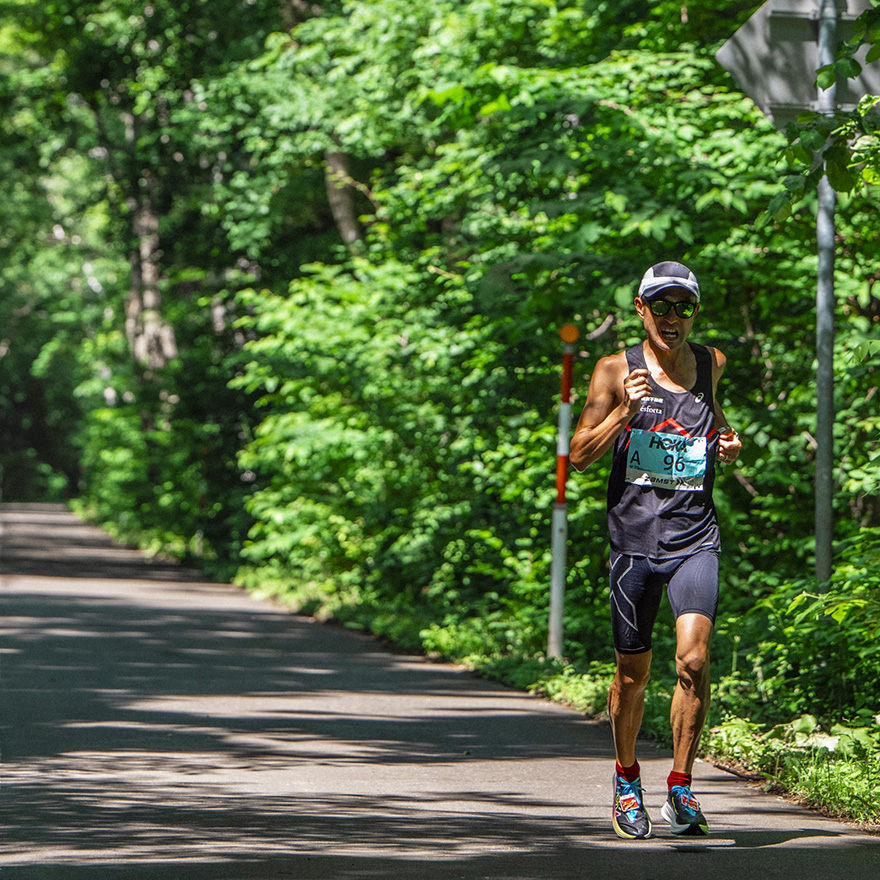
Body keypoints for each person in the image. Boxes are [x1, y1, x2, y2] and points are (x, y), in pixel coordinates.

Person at [570, 261, 741, 839]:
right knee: (632, 674)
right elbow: (579, 456)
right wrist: (623, 411)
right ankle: (625, 781)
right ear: (640, 308)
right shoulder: (615, 369)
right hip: (635, 540)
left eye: (684, 307)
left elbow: (711, 420)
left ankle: (681, 788)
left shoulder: (712, 363)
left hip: (695, 535)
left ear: (695, 311)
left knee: (693, 660)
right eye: (661, 306)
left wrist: (727, 440)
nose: (672, 318)